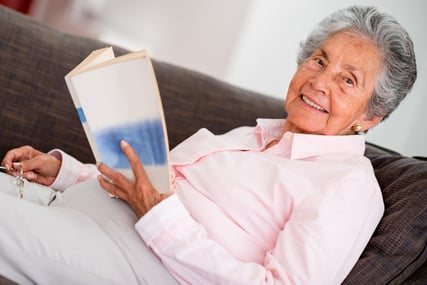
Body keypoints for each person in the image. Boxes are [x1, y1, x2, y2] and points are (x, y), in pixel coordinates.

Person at [0, 5, 417, 285]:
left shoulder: (345, 188)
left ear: (371, 116)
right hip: (78, 206)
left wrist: (158, 216)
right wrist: (66, 173)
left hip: (137, 262)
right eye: (319, 60)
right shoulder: (254, 137)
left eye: (348, 80)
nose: (319, 81)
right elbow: (152, 183)